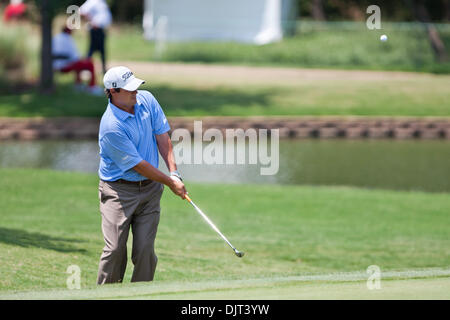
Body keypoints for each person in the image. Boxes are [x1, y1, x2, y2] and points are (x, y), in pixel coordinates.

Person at [97, 66, 187, 284]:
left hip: (149, 190)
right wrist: (169, 182)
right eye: (129, 89)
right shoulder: (111, 126)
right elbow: (139, 165)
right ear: (113, 92)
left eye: (136, 86)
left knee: (145, 251)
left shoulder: (146, 100)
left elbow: (162, 137)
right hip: (118, 192)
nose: (135, 91)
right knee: (115, 250)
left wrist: (174, 173)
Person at [52, 26, 102, 95]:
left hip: (55, 65)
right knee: (89, 64)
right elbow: (75, 56)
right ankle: (92, 86)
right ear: (69, 31)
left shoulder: (55, 38)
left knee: (78, 64)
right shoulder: (68, 39)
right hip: (64, 66)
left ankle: (78, 84)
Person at [80, 0, 112, 74]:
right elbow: (82, 11)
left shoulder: (102, 2)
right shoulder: (92, 1)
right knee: (91, 49)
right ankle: (86, 68)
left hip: (101, 29)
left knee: (102, 50)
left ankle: (103, 69)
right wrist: (92, 21)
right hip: (95, 29)